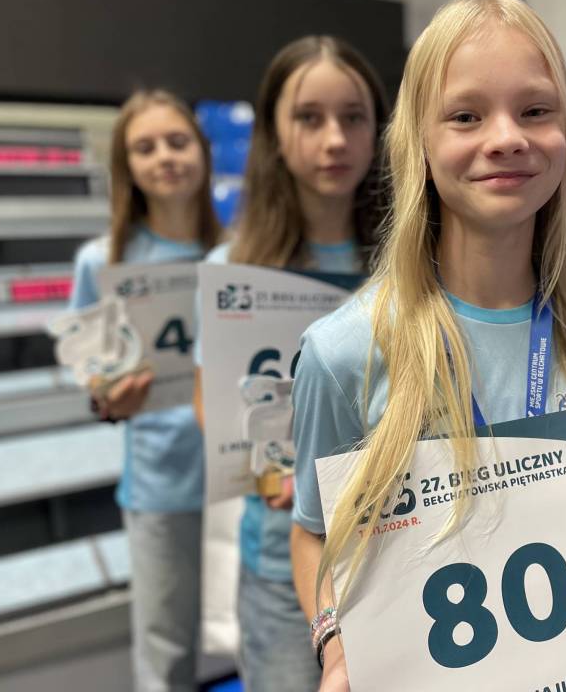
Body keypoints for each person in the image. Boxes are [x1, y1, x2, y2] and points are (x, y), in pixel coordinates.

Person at [289, 0, 566, 692]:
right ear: (418, 141)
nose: (506, 137)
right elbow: (313, 530)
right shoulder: (343, 355)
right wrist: (334, 641)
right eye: (466, 116)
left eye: (535, 110)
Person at [191, 35, 389, 692]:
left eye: (353, 117)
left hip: (396, 559)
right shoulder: (231, 271)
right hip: (280, 566)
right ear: (274, 133)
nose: (334, 139)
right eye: (309, 118)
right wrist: (261, 472)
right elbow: (212, 402)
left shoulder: (413, 266)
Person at [69, 89, 221, 691]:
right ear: (126, 165)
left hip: (243, 481)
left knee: (260, 635)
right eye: (145, 147)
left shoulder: (241, 251)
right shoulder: (101, 261)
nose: (165, 157)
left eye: (177, 142)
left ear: (203, 152)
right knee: (165, 652)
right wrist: (109, 401)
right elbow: (95, 383)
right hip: (162, 482)